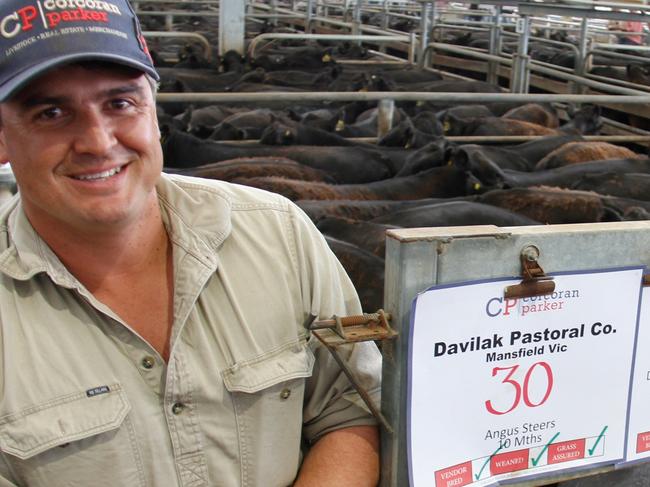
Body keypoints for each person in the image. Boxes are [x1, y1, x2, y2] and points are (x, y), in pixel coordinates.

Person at [0, 0, 382, 485]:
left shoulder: (279, 233)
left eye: (120, 103)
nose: (97, 141)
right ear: (3, 137)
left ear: (153, 111)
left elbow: (351, 411)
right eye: (51, 113)